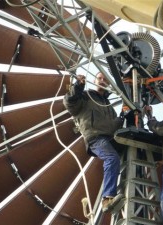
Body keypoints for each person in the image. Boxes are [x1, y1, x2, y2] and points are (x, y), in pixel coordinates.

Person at [63, 72, 124, 213]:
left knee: (127, 153)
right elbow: (69, 102)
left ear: (109, 84)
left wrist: (122, 116)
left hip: (109, 138)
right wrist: (77, 86)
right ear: (95, 80)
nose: (102, 81)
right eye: (100, 78)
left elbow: (113, 125)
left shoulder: (108, 106)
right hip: (95, 137)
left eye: (105, 80)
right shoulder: (85, 96)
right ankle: (107, 199)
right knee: (111, 158)